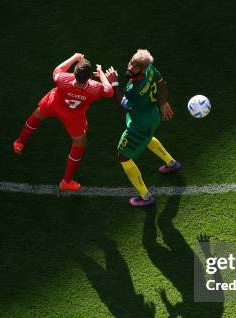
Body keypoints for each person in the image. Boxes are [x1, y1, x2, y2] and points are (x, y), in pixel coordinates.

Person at [14, 53, 114, 192]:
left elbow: (57, 70)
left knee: (36, 116)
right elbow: (109, 91)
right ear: (90, 77)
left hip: (54, 104)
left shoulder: (63, 79)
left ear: (74, 73)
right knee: (79, 143)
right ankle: (66, 181)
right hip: (74, 116)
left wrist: (75, 57)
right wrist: (102, 73)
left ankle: (19, 142)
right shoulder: (95, 88)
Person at [105, 49, 181, 207]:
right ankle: (172, 163)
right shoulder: (151, 70)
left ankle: (146, 197)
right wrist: (164, 102)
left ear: (144, 68)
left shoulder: (132, 89)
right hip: (152, 116)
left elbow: (122, 108)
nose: (131, 67)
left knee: (123, 156)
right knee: (147, 139)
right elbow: (162, 84)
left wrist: (114, 83)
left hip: (139, 125)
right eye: (132, 62)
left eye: (136, 66)